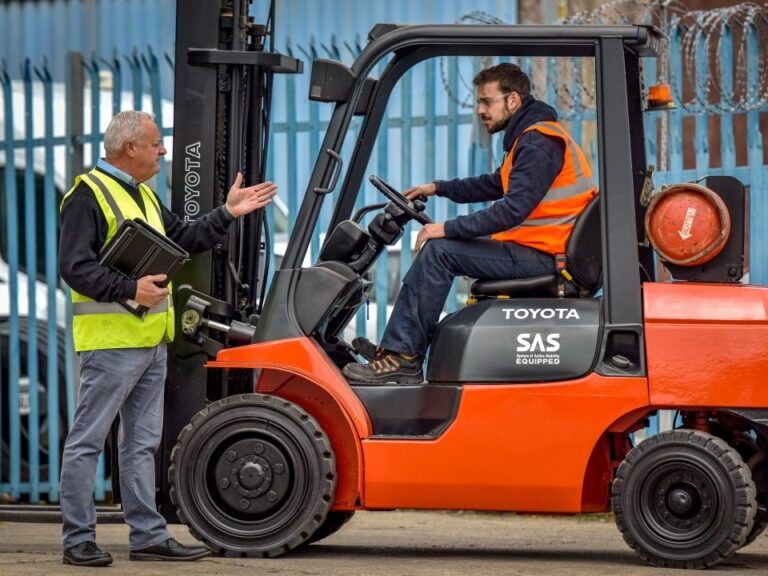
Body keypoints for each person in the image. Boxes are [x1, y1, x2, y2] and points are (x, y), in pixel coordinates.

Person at [58, 110, 277, 566]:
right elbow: (74, 267)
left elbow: (184, 237)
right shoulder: (87, 196)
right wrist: (128, 289)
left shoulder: (143, 197)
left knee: (141, 444)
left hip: (150, 340)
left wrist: (227, 212)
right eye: (155, 143)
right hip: (109, 343)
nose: (162, 151)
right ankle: (78, 539)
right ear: (129, 148)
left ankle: (148, 537)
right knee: (88, 440)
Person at [343, 63, 596, 384]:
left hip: (545, 257)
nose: (479, 110)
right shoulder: (531, 138)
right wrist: (437, 188)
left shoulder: (537, 143)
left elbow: (511, 210)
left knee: (440, 251)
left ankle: (403, 357)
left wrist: (445, 229)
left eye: (486, 102)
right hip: (540, 250)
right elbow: (495, 184)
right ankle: (396, 349)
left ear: (513, 100)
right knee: (441, 248)